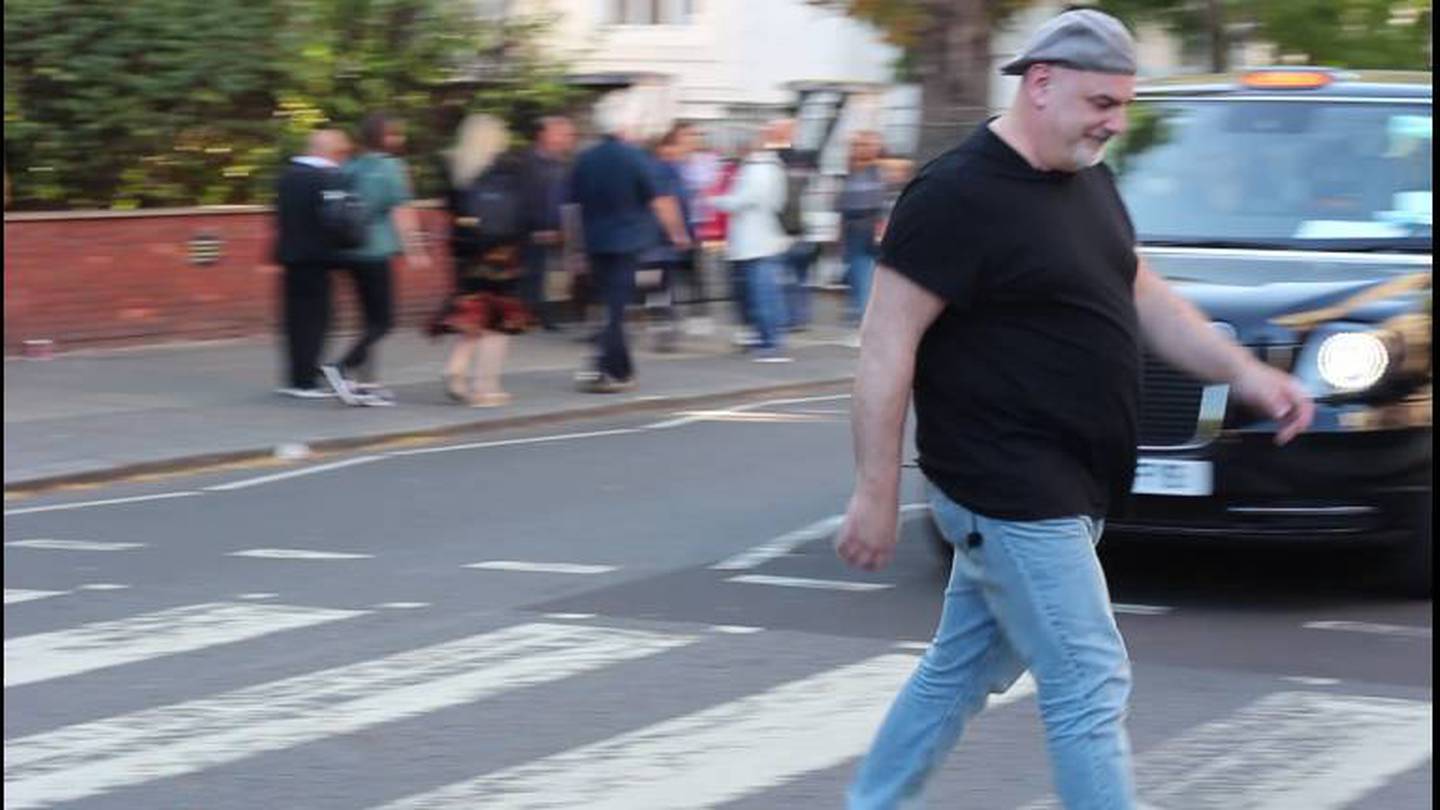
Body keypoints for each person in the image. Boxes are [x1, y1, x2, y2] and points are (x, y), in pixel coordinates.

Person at [835, 10, 1315, 809]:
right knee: (1090, 678)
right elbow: (886, 349)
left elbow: (1144, 297)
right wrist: (875, 493)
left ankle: (871, 802)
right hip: (1008, 487)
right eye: (1102, 103)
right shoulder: (953, 195)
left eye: (1122, 105)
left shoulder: (1086, 177)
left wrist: (1248, 374)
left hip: (1075, 481)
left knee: (960, 670)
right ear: (1042, 83)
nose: (1113, 124)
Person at [566, 92, 691, 393]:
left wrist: (573, 249)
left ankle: (621, 370)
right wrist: (677, 233)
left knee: (610, 307)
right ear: (625, 125)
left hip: (595, 243)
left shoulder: (585, 158)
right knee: (616, 310)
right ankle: (607, 370)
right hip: (629, 243)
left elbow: (571, 208)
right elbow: (660, 200)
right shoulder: (635, 157)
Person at [321, 113, 430, 406]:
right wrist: (416, 250)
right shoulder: (391, 168)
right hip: (374, 253)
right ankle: (340, 368)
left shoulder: (351, 165)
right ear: (385, 137)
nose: (400, 139)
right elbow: (403, 212)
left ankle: (365, 382)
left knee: (367, 320)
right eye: (396, 134)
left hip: (347, 251)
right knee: (383, 322)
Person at [429, 114, 531, 408]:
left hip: (466, 251)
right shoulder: (506, 167)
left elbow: (449, 209)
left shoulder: (454, 166)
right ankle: (486, 387)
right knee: (498, 323)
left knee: (473, 314)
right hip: (501, 253)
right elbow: (521, 211)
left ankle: (456, 368)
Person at [273, 129, 353, 399]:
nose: (343, 159)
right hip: (318, 259)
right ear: (328, 152)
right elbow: (336, 222)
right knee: (318, 320)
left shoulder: (287, 177)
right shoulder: (326, 178)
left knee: (295, 321)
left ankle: (296, 377)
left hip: (291, 258)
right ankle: (307, 382)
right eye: (341, 153)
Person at [714, 120, 793, 362]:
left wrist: (714, 201)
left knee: (762, 294)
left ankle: (769, 341)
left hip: (755, 242)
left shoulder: (759, 168)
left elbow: (745, 199)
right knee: (761, 292)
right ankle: (765, 338)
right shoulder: (769, 166)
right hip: (760, 240)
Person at [639, 124, 700, 352]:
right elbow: (665, 203)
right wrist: (679, 234)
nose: (682, 149)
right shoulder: (661, 169)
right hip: (655, 239)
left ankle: (662, 328)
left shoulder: (672, 169)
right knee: (656, 285)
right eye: (677, 144)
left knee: (657, 286)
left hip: (655, 240)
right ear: (665, 147)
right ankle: (662, 329)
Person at [519, 115, 577, 331]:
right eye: (561, 133)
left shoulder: (565, 164)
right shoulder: (526, 162)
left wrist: (565, 228)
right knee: (534, 272)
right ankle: (531, 315)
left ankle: (546, 315)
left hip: (562, 228)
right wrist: (539, 229)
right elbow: (523, 198)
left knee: (556, 275)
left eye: (568, 135)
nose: (566, 139)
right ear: (543, 135)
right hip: (533, 228)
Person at [836, 129, 887, 327]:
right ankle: (860, 310)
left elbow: (882, 201)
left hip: (869, 225)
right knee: (859, 270)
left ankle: (865, 313)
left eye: (863, 145)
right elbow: (841, 203)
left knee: (862, 270)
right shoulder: (851, 171)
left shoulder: (877, 172)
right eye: (856, 145)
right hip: (853, 226)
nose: (858, 149)